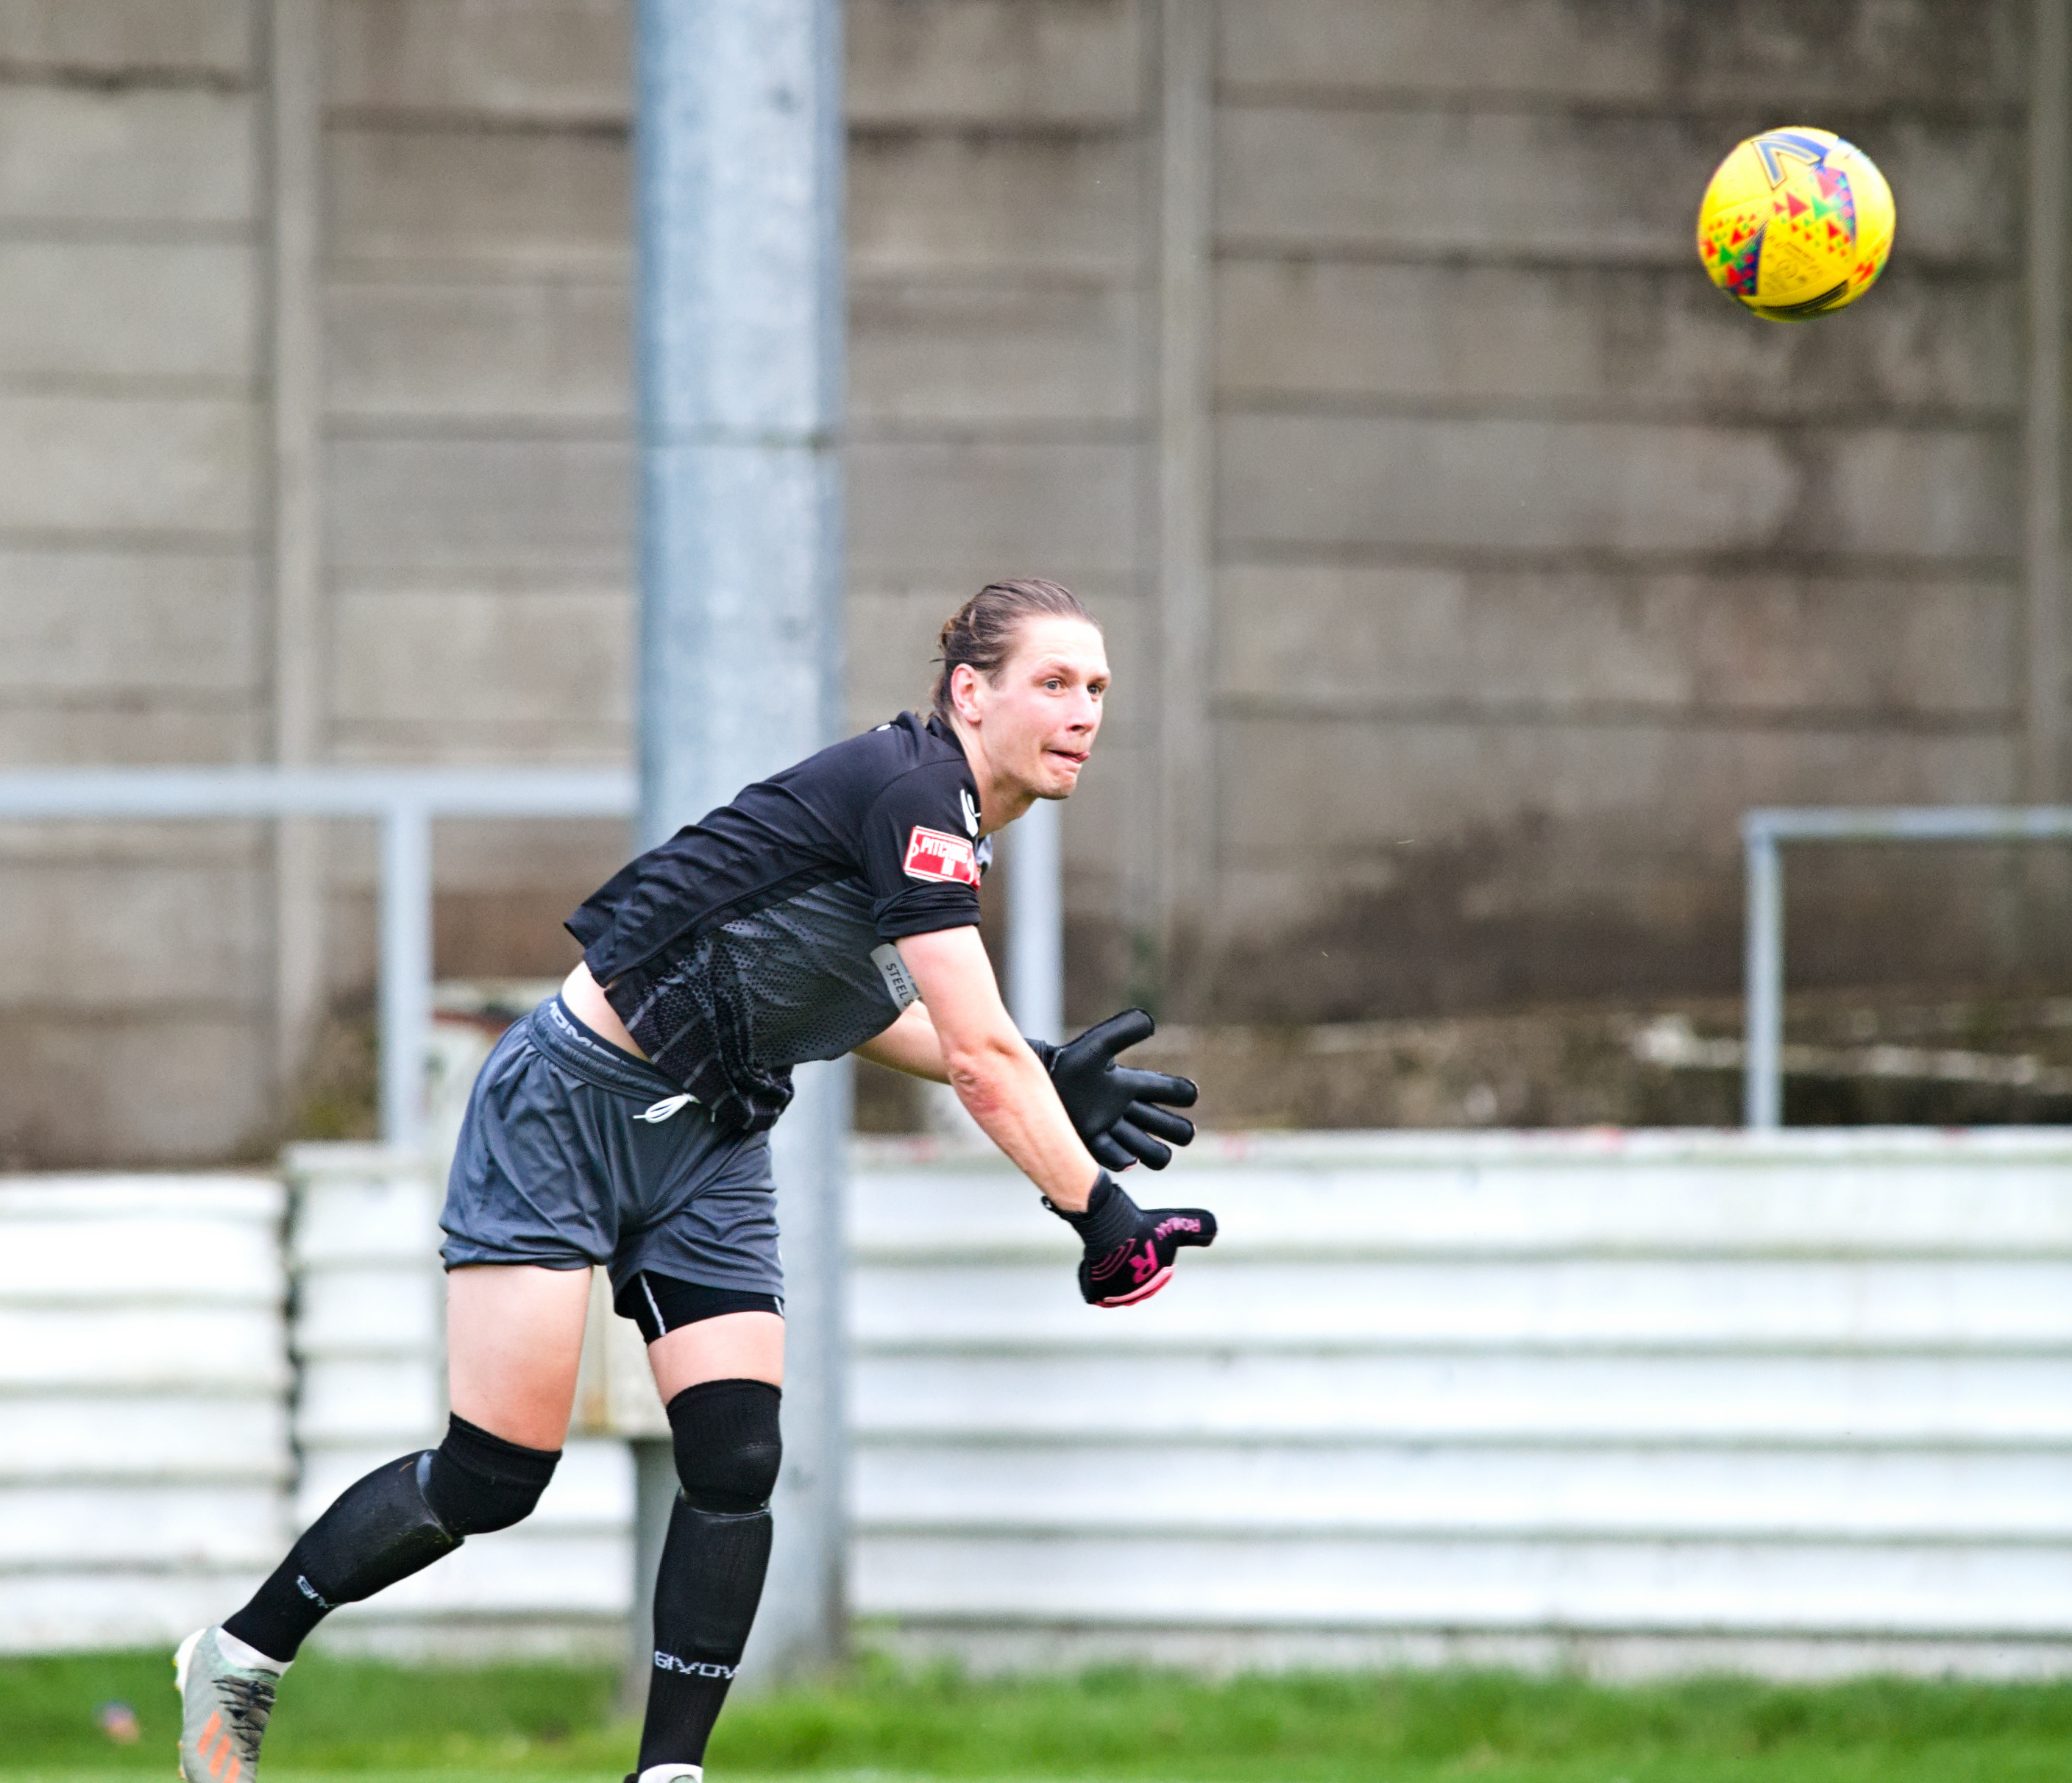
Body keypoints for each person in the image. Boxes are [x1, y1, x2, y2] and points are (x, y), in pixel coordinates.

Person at [173, 578, 1215, 1783]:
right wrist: (1097, 1205)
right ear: (969, 693)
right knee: (494, 1475)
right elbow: (972, 1054)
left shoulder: (957, 815)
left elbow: (859, 1005)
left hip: (711, 1136)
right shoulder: (919, 792)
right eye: (1053, 682)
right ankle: (243, 1656)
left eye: (1096, 690)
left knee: (735, 1460)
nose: (1083, 710)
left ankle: (668, 1774)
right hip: (568, 1106)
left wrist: (1041, 1071)